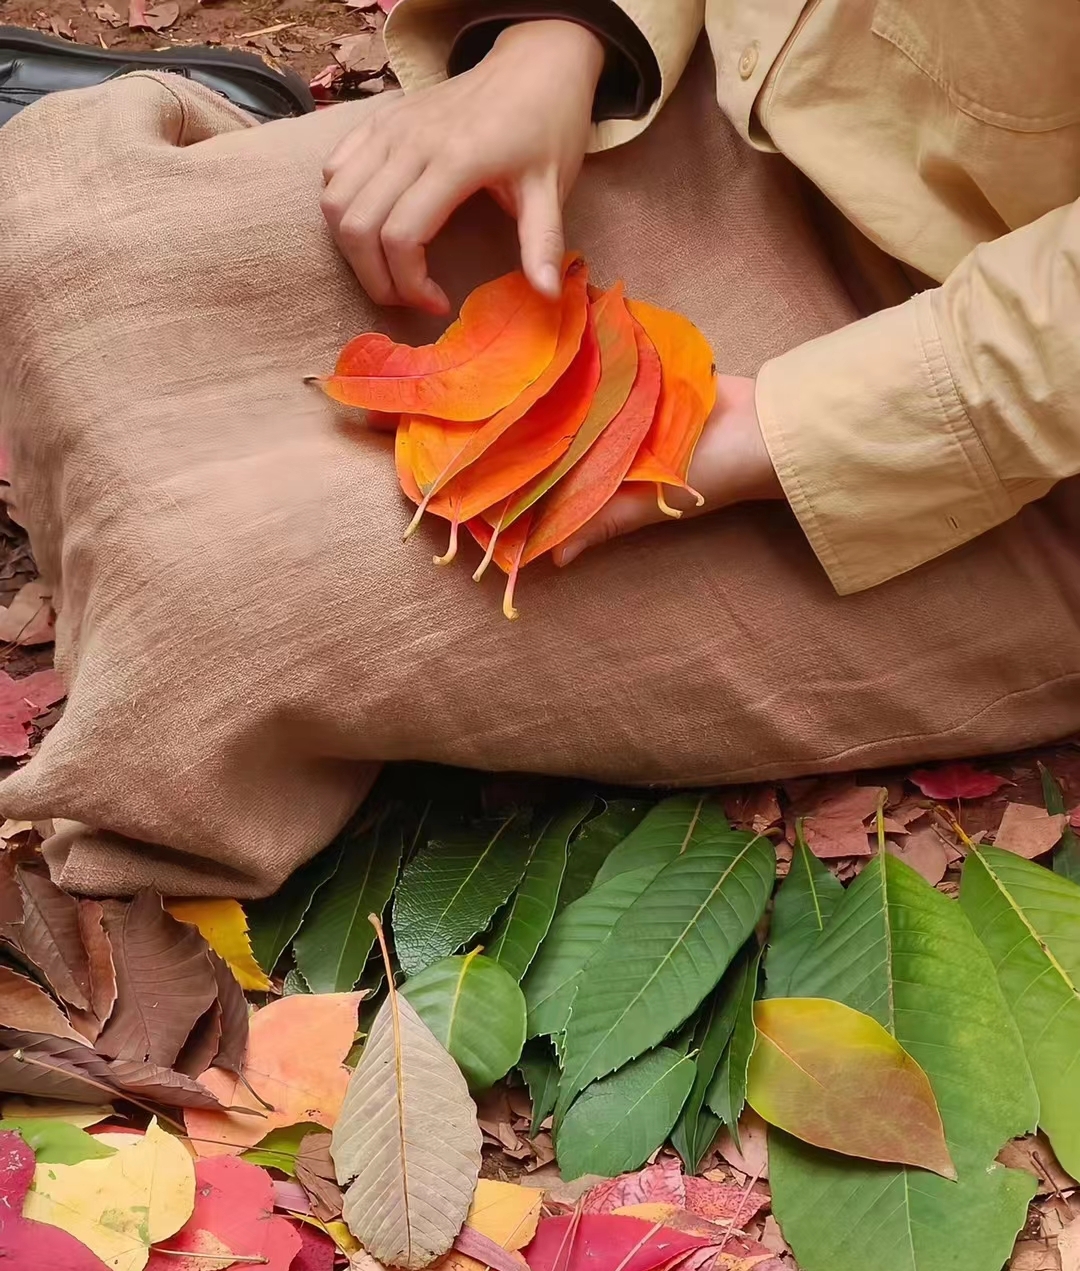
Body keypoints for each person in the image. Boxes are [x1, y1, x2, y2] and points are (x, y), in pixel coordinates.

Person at [1, 0, 1079, 897]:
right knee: (57, 231)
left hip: (1001, 430)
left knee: (235, 606)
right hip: (733, 116)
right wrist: (561, 37)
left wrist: (775, 433)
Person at [328, 0, 1080, 591]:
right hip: (703, 83)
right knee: (261, 240)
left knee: (316, 571)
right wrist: (563, 28)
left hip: (1006, 391)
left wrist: (813, 428)